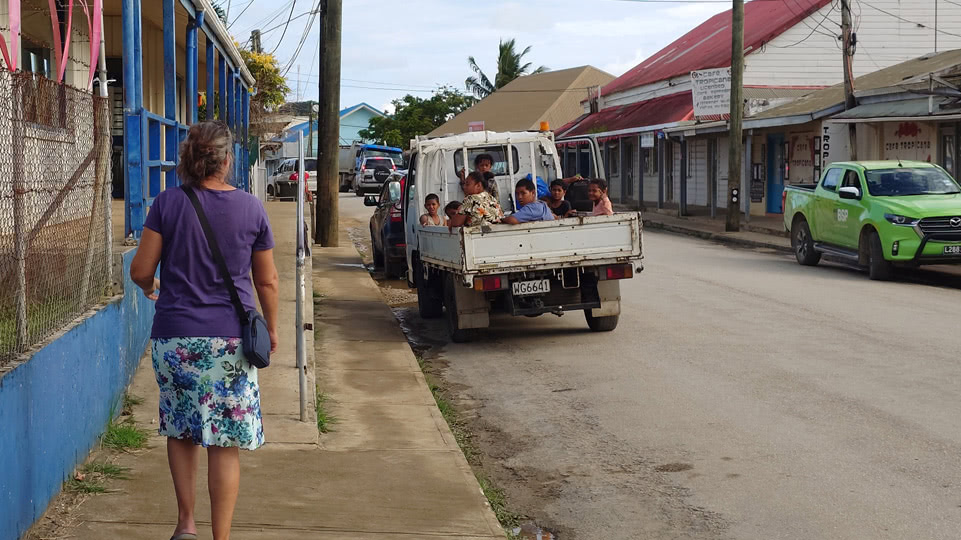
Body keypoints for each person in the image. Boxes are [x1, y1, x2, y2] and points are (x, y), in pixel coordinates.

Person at [130, 121, 279, 540]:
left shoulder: (167, 203)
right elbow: (266, 281)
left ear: (187, 160)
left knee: (181, 430)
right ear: (227, 160)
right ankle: (221, 537)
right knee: (223, 440)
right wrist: (273, 328)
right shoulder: (251, 208)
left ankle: (185, 525)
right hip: (231, 341)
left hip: (174, 338)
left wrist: (150, 286)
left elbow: (140, 270)